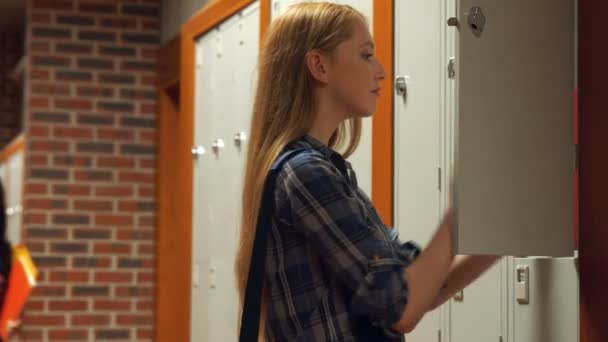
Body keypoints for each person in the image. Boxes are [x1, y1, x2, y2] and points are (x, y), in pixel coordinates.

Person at [236, 3, 500, 341]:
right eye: (366, 55)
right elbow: (402, 308)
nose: (381, 71)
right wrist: (458, 210)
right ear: (319, 66)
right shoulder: (305, 174)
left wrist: (508, 230)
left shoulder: (330, 175)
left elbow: (419, 288)